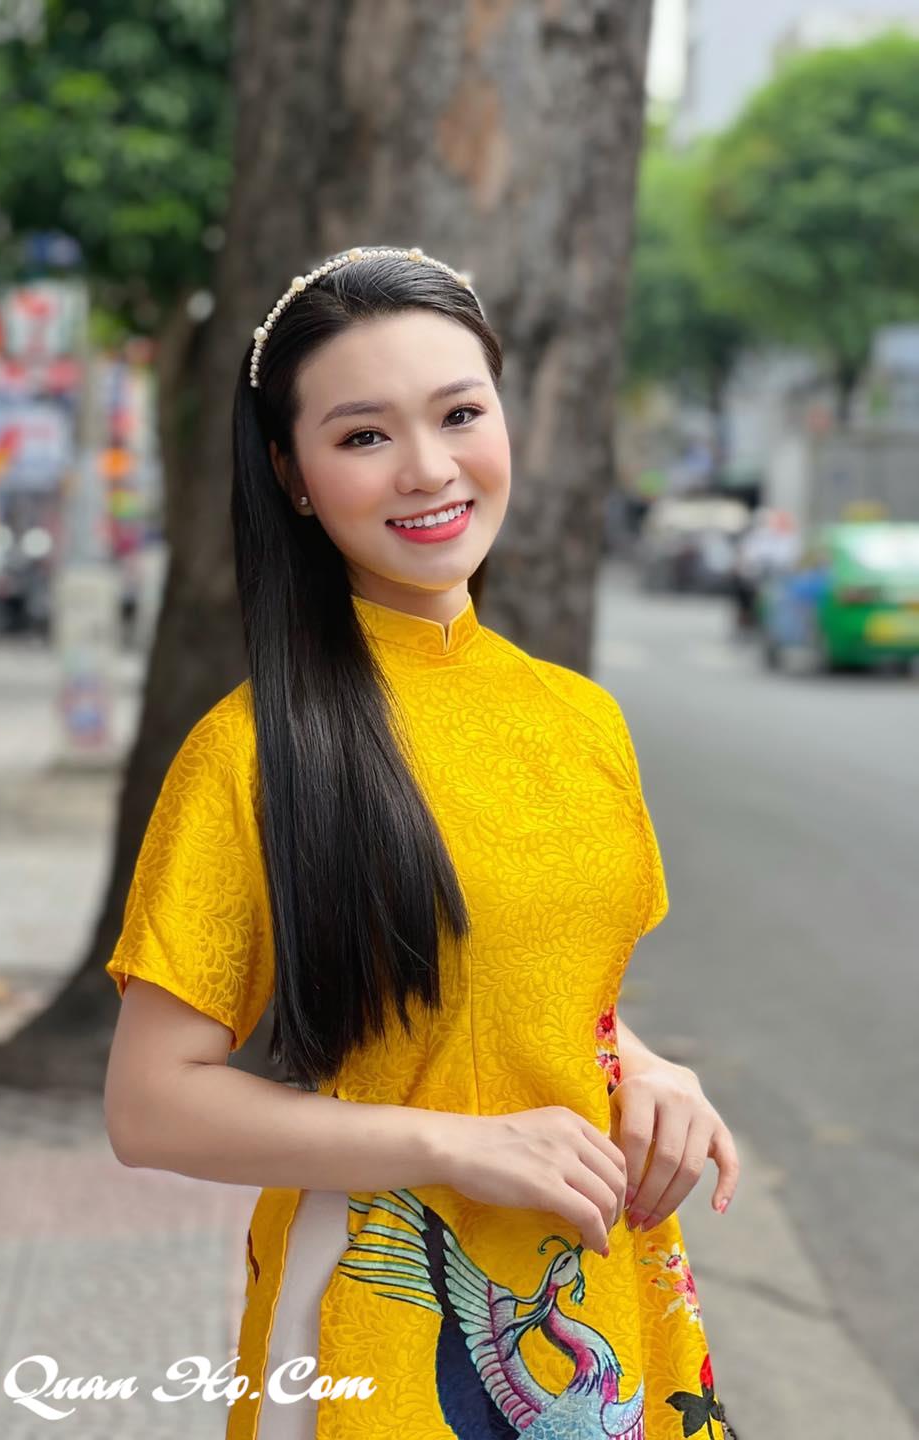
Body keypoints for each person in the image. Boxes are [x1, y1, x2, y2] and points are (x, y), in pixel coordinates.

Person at [103, 245, 740, 1440]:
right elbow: (149, 1108)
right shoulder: (252, 755)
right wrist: (456, 1145)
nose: (430, 469)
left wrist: (648, 1072)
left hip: (602, 1280)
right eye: (364, 436)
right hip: (388, 1302)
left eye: (459, 414)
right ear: (292, 476)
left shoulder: (578, 718)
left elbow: (527, 984)